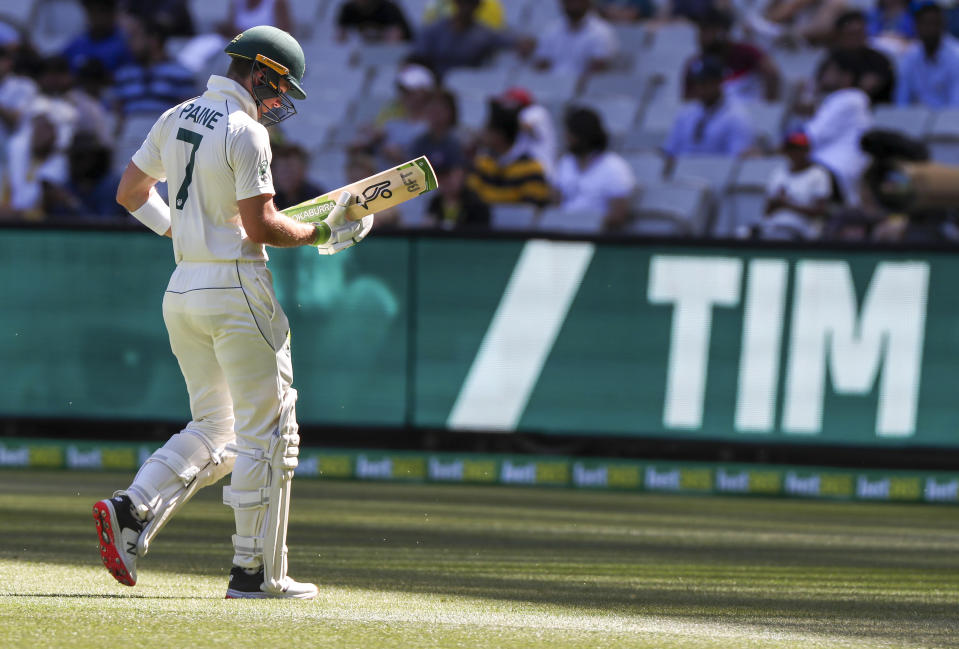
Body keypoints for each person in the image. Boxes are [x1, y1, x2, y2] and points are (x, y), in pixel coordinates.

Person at [93, 25, 375, 600]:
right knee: (269, 435)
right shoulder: (245, 132)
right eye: (279, 88)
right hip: (236, 290)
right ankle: (255, 574)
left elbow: (128, 192)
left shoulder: (176, 115)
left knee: (216, 427)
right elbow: (262, 228)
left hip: (183, 288)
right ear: (261, 72)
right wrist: (327, 229)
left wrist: (178, 229)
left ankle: (131, 508)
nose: (279, 102)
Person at [804, 50, 873, 205]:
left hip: (836, 172)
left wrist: (768, 151)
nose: (823, 75)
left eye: (830, 70)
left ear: (847, 77)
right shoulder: (833, 100)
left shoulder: (850, 98)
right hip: (824, 168)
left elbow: (809, 136)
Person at [553, 106, 636, 231]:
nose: (567, 139)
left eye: (571, 135)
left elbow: (618, 214)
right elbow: (555, 203)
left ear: (584, 135)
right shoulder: (565, 163)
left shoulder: (614, 167)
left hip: (595, 235)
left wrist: (584, 222)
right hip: (562, 233)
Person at [663, 56, 756, 161]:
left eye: (705, 82)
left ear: (719, 82)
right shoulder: (685, 114)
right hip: (681, 175)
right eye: (697, 82)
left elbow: (736, 161)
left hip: (718, 175)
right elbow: (670, 152)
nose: (700, 88)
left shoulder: (736, 117)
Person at [684, 7, 780, 103]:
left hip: (749, 110)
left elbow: (772, 74)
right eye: (700, 31)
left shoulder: (747, 52)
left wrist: (766, 108)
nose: (701, 37)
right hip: (716, 115)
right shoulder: (695, 64)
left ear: (722, 32)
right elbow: (687, 101)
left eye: (706, 31)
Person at [466, 98, 551, 206]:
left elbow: (531, 213)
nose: (483, 132)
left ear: (499, 135)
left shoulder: (532, 169)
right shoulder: (482, 164)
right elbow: (470, 201)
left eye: (488, 128)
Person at [112, 16, 197, 119]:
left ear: (153, 40)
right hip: (131, 130)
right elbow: (117, 112)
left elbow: (187, 116)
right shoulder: (124, 74)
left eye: (135, 37)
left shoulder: (182, 74)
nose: (130, 43)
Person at [755, 130, 832, 239]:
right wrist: (777, 202)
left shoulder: (818, 174)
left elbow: (820, 211)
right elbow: (767, 211)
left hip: (803, 229)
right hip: (775, 225)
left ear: (807, 151)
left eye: (798, 149)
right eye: (791, 149)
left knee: (784, 233)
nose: (794, 153)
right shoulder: (778, 173)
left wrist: (787, 204)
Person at [411, 0, 518, 77]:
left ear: (478, 5)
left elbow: (510, 41)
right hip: (434, 83)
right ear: (455, 2)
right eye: (462, 1)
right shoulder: (434, 30)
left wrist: (522, 43)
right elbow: (418, 58)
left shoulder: (484, 34)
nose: (466, 6)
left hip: (467, 85)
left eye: (471, 2)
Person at [816, 10, 895, 104]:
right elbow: (822, 84)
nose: (857, 38)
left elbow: (871, 88)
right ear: (840, 36)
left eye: (860, 32)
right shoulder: (832, 59)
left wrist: (845, 87)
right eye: (851, 34)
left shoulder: (879, 60)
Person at [532, 0, 619, 81]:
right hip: (551, 88)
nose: (572, 3)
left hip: (586, 92)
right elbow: (541, 64)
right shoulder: (551, 29)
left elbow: (598, 71)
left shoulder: (602, 32)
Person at [895, 1, 959, 108]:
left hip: (950, 120)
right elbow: (901, 102)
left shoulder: (956, 56)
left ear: (943, 25)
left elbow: (956, 105)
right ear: (916, 26)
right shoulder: (909, 56)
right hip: (916, 120)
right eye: (925, 24)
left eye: (935, 24)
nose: (930, 29)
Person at [61, 0, 133, 74]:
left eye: (102, 11)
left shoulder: (125, 45)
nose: (97, 17)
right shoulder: (76, 44)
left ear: (112, 13)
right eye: (92, 11)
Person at [426, 155, 490, 229]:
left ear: (462, 176)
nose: (445, 181)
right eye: (441, 178)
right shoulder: (435, 202)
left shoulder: (477, 204)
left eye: (449, 176)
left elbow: (481, 231)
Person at [271, 141, 325, 210]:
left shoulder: (317, 197)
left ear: (303, 169)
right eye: (281, 170)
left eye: (291, 169)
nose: (286, 176)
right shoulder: (271, 201)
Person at [336, 0, 413, 43]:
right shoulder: (348, 9)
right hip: (363, 51)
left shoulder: (388, 8)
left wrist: (375, 35)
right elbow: (340, 37)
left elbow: (395, 38)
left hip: (396, 51)